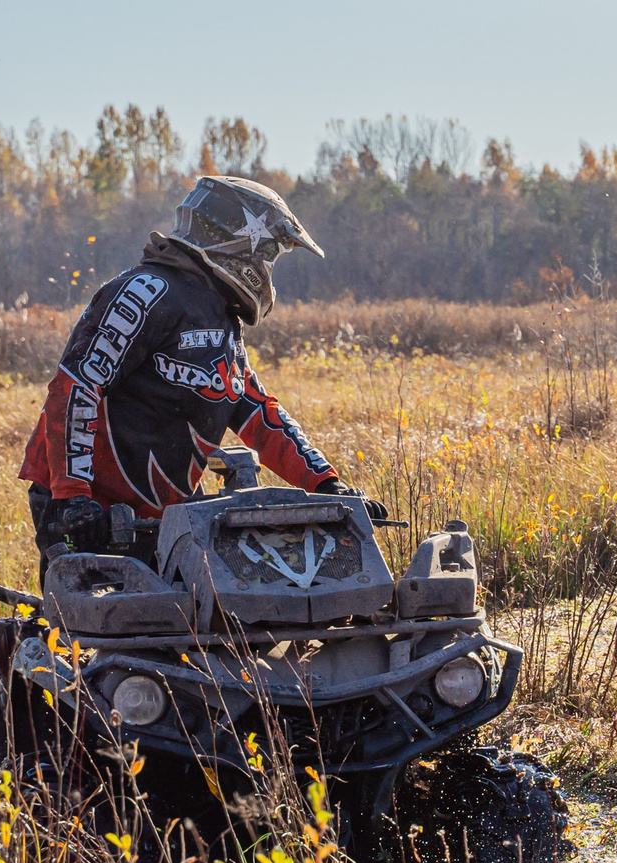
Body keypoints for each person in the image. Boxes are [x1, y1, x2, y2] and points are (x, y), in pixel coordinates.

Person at [18, 175, 368, 575]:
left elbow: (253, 408)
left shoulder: (220, 316)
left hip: (163, 514)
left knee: (195, 624)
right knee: (95, 623)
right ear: (240, 242)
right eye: (268, 254)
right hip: (89, 507)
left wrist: (326, 485)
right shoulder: (144, 291)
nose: (267, 267)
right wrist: (73, 495)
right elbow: (77, 385)